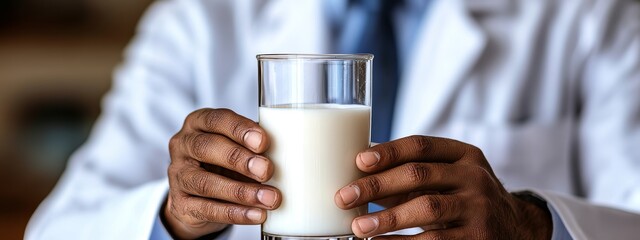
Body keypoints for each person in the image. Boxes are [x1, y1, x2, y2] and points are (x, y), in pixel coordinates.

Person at [25, 0, 640, 239]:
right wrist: (171, 217)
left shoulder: (588, 14)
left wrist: (535, 228)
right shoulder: (197, 20)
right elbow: (57, 229)